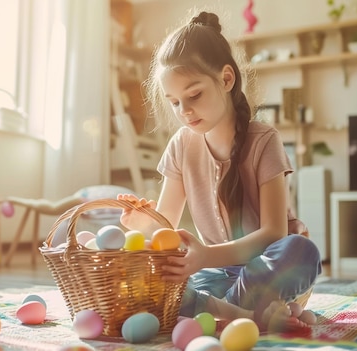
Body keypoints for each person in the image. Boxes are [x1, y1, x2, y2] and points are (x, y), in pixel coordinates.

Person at [118, 11, 322, 333]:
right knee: (153, 279)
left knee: (302, 251)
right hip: (213, 274)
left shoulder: (264, 140)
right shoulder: (181, 145)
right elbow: (166, 224)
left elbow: (274, 233)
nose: (184, 111)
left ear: (226, 79)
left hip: (265, 268)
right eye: (174, 102)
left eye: (194, 95)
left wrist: (206, 256)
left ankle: (219, 310)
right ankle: (251, 313)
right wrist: (143, 224)